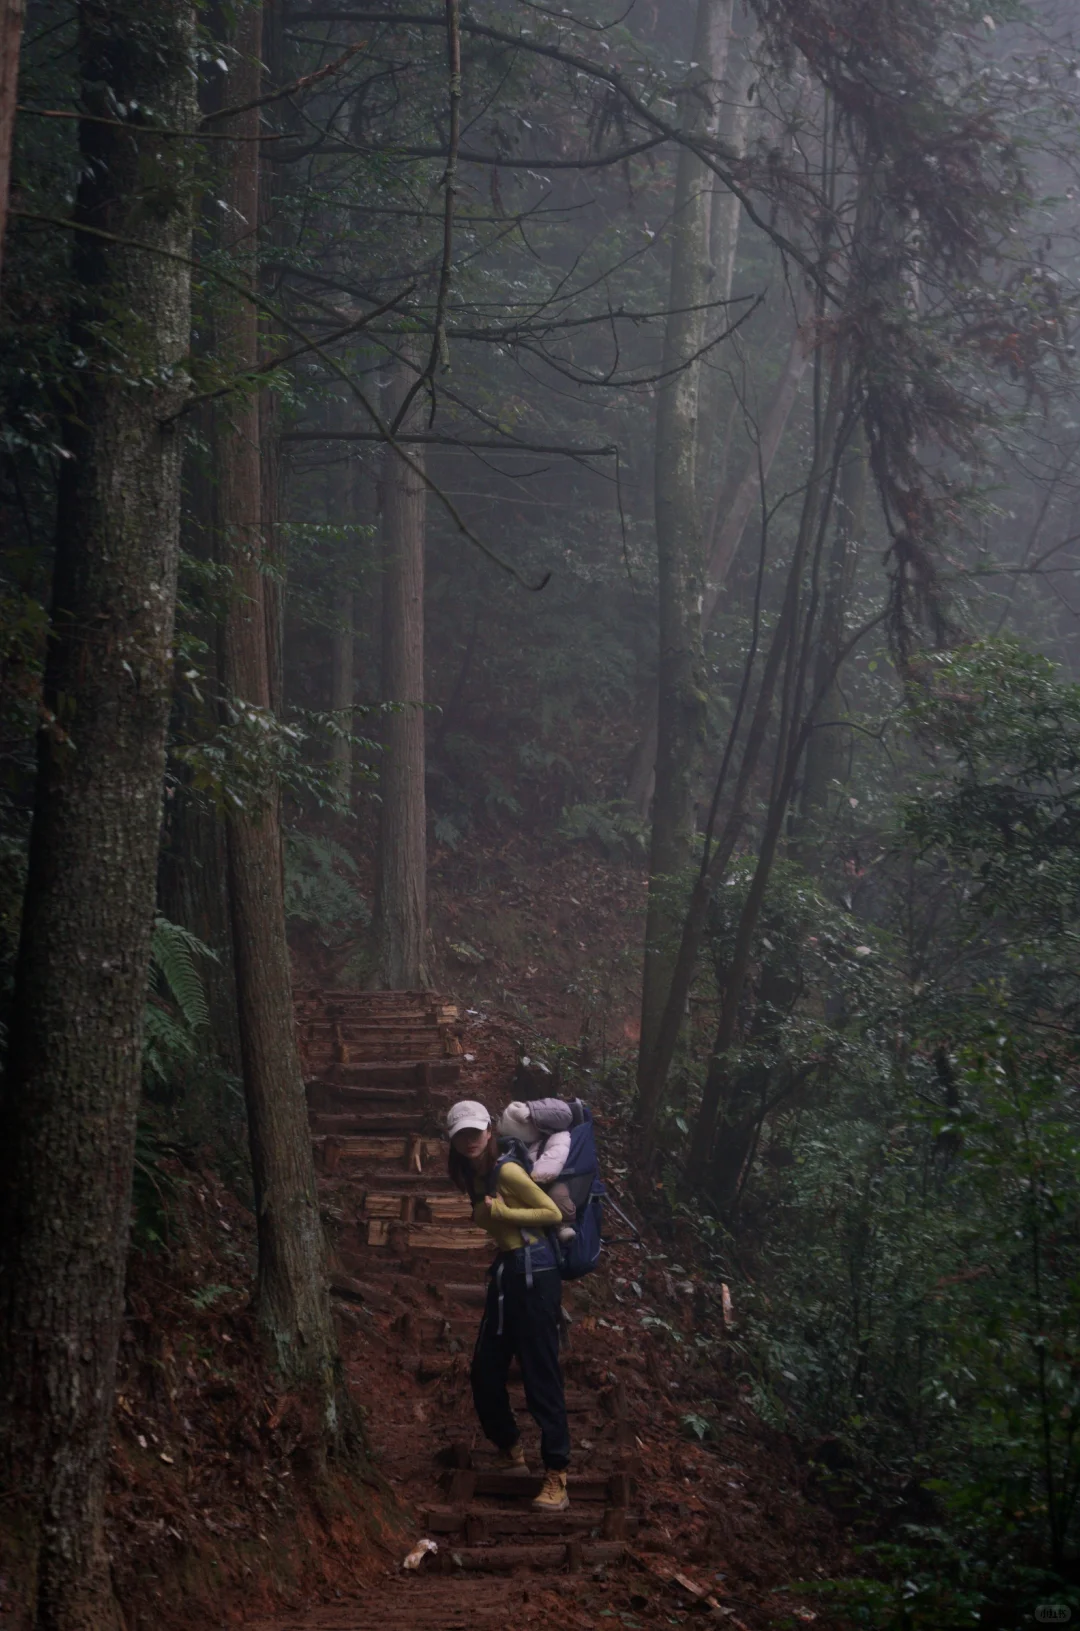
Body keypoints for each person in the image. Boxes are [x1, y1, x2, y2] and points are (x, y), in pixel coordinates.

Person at [446, 1098, 571, 1512]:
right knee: (485, 1369)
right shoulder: (474, 1175)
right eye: (461, 1134)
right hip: (507, 1274)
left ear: (489, 1132)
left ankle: (557, 1474)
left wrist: (502, 1212)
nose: (469, 1140)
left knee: (540, 1372)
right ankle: (510, 1449)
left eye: (475, 1132)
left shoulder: (508, 1171)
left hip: (536, 1275)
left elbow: (551, 1211)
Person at [496, 1099, 577, 1242]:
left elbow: (552, 1161)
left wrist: (532, 1177)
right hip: (532, 1179)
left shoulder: (560, 1137)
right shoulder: (537, 1140)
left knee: (558, 1195)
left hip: (552, 1180)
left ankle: (564, 1225)